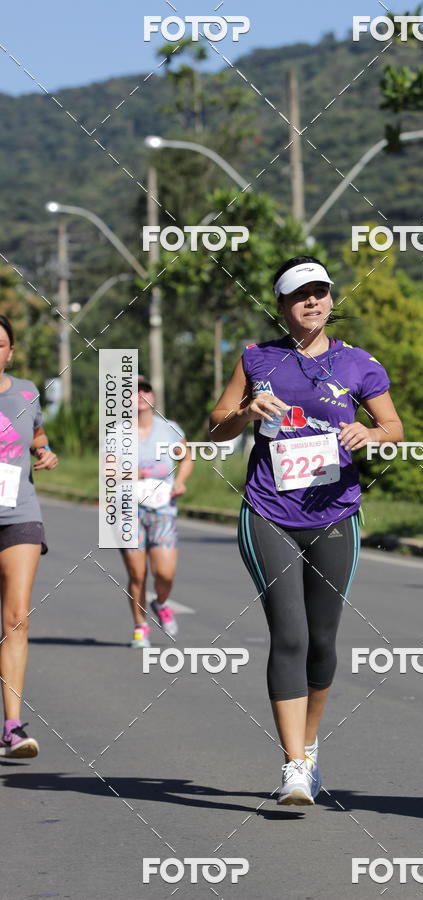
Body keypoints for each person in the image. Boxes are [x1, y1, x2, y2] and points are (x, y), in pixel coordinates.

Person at [210, 256, 404, 804]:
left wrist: (371, 434)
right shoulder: (257, 358)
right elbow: (217, 427)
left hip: (335, 514)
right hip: (269, 511)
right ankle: (294, 764)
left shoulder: (358, 363)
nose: (312, 302)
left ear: (331, 299)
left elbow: (394, 427)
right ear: (282, 306)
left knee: (322, 642)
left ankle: (309, 743)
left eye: (320, 292)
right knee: (290, 635)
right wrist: (247, 412)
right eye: (300, 295)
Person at [0, 315, 58, 758]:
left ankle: (12, 727)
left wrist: (44, 450)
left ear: (11, 351)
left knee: (17, 618)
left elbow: (36, 433)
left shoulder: (25, 392)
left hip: (19, 512)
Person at [121, 376, 193, 648]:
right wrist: (132, 474)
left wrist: (181, 482)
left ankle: (161, 603)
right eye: (133, 391)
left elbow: (186, 457)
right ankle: (140, 627)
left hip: (163, 508)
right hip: (128, 509)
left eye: (145, 390)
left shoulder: (169, 429)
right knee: (137, 574)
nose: (140, 395)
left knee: (165, 573)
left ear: (152, 396)